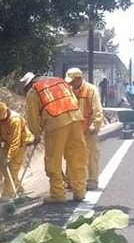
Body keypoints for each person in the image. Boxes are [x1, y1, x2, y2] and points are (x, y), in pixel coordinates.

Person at [20, 71, 87, 202]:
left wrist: (36, 134)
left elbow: (32, 116)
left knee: (53, 159)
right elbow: (73, 99)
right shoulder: (60, 81)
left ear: (28, 85)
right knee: (76, 156)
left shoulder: (34, 90)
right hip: (76, 118)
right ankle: (79, 191)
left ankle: (58, 194)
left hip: (56, 122)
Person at [66, 68, 104, 191]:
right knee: (72, 155)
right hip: (74, 129)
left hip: (89, 129)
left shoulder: (90, 89)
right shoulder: (69, 90)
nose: (70, 84)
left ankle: (92, 180)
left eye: (72, 81)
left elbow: (97, 109)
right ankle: (71, 180)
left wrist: (96, 124)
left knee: (92, 154)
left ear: (79, 79)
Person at [0, 101, 33, 198]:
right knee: (3, 167)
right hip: (7, 141)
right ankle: (18, 188)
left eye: (1, 116)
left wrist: (9, 157)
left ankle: (7, 194)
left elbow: (16, 141)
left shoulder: (15, 120)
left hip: (20, 143)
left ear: (6, 111)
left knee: (12, 168)